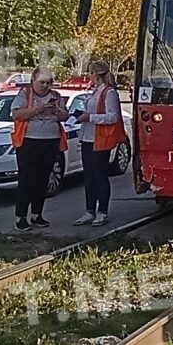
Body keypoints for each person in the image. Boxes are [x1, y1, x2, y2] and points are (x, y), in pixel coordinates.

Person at [10, 67, 69, 231]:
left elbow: (65, 115)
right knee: (26, 178)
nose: (45, 86)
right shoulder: (25, 94)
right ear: (33, 82)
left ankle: (37, 214)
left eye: (48, 82)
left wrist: (56, 110)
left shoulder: (55, 96)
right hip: (28, 140)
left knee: (43, 178)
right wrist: (38, 109)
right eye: (42, 82)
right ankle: (21, 216)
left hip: (50, 140)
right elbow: (16, 115)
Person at [72, 61, 127, 226]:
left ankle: (102, 211)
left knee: (100, 175)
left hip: (100, 139)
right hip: (87, 137)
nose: (88, 76)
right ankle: (89, 210)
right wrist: (85, 115)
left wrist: (90, 117)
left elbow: (112, 117)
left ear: (95, 74)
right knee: (88, 176)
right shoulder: (94, 91)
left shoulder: (109, 93)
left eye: (90, 73)